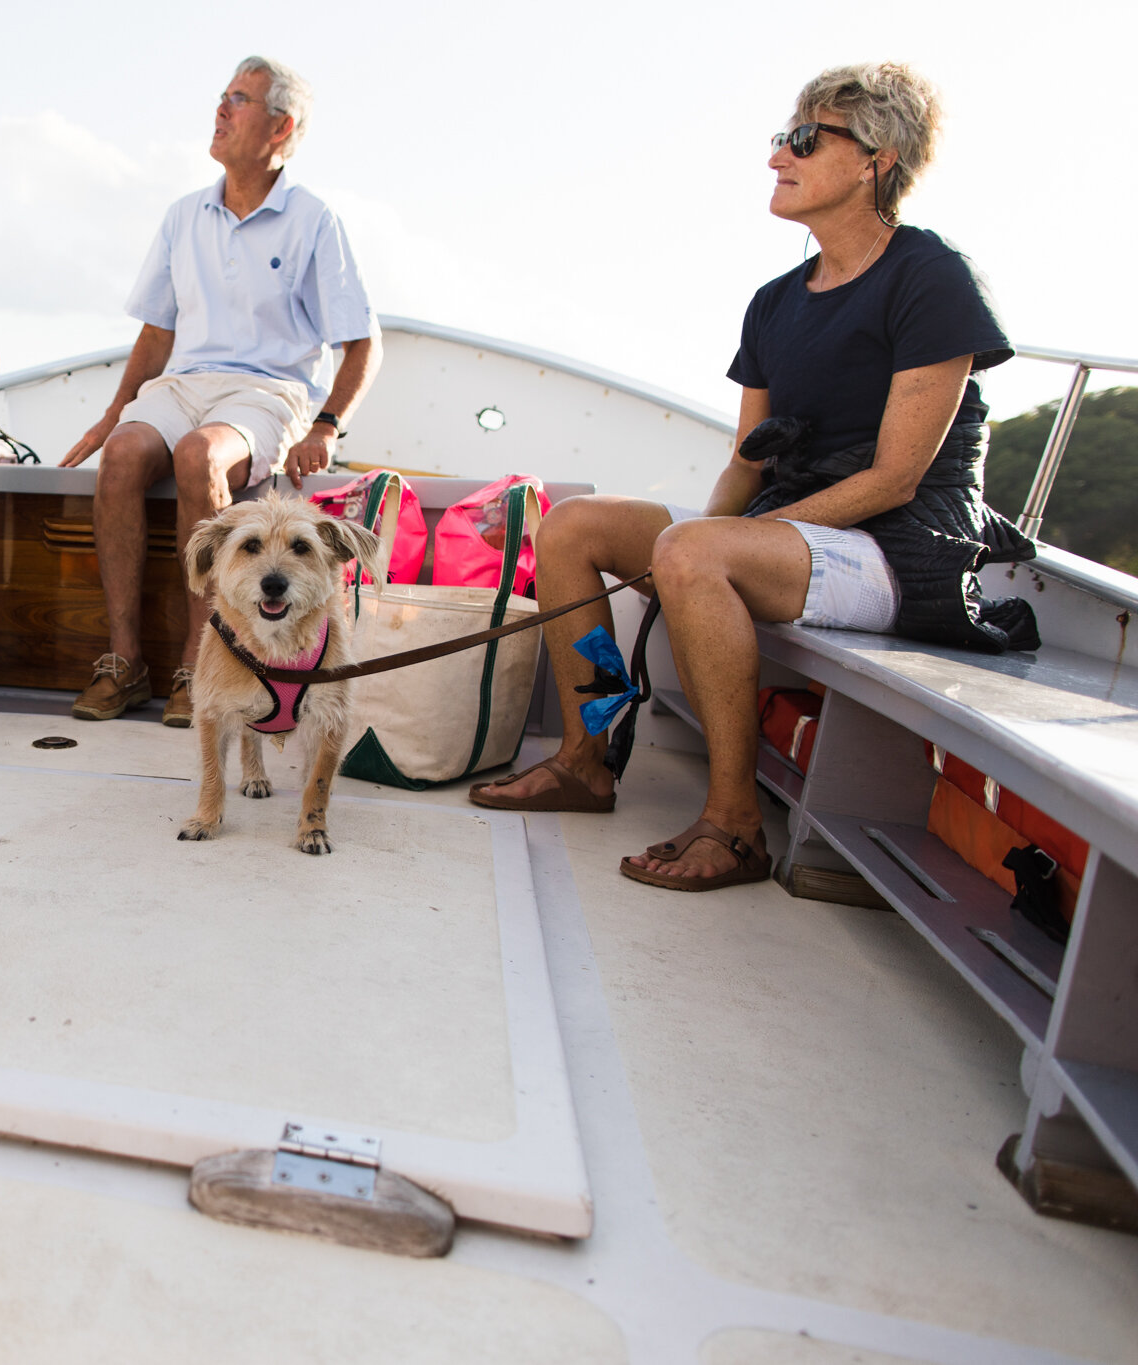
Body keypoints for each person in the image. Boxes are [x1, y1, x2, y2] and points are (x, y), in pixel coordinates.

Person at [471, 62, 1036, 890]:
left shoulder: (929, 276)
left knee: (697, 551)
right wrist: (685, 547)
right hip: (794, 529)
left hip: (895, 547)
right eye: (783, 137)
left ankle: (735, 824)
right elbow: (747, 462)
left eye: (806, 139)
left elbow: (894, 479)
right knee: (573, 527)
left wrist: (704, 550)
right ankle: (588, 758)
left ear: (877, 159)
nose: (779, 156)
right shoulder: (775, 301)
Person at [60, 56, 382, 728]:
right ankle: (125, 661)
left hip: (269, 392)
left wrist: (327, 424)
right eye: (223, 96)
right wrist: (113, 414)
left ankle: (195, 664)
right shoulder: (185, 215)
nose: (221, 110)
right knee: (121, 456)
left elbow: (362, 342)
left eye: (238, 99)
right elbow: (155, 335)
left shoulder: (314, 220)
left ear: (279, 126)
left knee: (200, 457)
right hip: (184, 382)